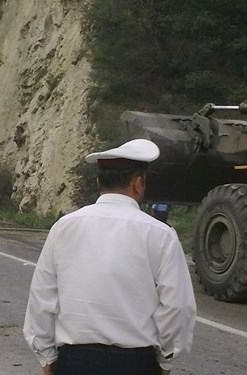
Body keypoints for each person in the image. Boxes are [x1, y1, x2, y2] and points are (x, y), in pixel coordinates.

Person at [23, 139, 196, 375]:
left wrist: (46, 356)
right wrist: (166, 360)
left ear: (98, 182)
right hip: (135, 363)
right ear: (138, 183)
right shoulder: (161, 235)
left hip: (75, 361)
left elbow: (42, 298)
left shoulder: (64, 227)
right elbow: (178, 307)